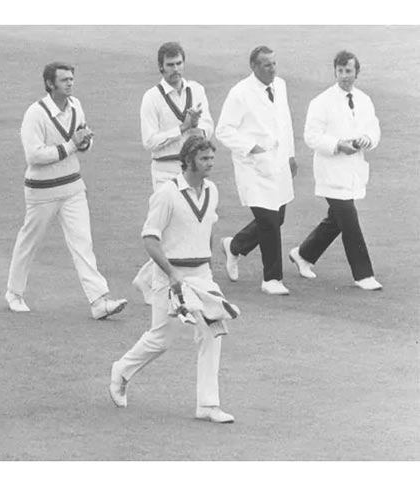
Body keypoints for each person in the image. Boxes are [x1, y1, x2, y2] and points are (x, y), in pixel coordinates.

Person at [109, 136, 237, 423]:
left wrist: (209, 271)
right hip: (170, 277)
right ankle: (121, 370)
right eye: (204, 159)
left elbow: (206, 230)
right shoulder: (167, 194)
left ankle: (208, 404)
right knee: (161, 338)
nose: (210, 164)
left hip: (202, 276)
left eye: (212, 158)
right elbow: (150, 238)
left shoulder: (213, 190)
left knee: (213, 333)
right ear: (189, 160)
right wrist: (171, 273)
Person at [5, 62, 127, 319]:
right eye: (64, 80)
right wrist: (72, 145)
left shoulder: (76, 105)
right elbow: (34, 155)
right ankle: (14, 293)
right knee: (29, 242)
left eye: (71, 79)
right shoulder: (35, 113)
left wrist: (84, 143)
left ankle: (98, 301)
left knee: (83, 243)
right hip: (42, 191)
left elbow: (82, 141)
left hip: (73, 187)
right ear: (50, 84)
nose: (70, 83)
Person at [288, 51, 382, 291]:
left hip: (354, 172)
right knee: (349, 219)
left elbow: (374, 131)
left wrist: (365, 140)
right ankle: (363, 275)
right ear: (335, 72)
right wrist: (338, 145)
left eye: (348, 71)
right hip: (331, 171)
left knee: (337, 220)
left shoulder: (364, 100)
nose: (344, 76)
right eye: (340, 71)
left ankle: (303, 254)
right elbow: (311, 136)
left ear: (356, 72)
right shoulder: (321, 101)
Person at [133, 42, 215, 304]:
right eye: (170, 65)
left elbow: (209, 126)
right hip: (166, 169)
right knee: (166, 229)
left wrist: (198, 127)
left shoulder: (197, 90)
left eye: (179, 63)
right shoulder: (152, 97)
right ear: (161, 66)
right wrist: (181, 128)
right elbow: (149, 141)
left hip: (193, 169)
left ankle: (148, 280)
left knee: (196, 223)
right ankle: (157, 283)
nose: (175, 69)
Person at [216, 46, 298, 295]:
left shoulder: (280, 85)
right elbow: (224, 130)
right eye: (266, 65)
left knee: (278, 217)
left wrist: (291, 155)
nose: (272, 69)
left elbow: (285, 121)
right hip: (253, 167)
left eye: (274, 63)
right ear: (253, 66)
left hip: (279, 163)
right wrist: (252, 148)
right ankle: (271, 279)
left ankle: (235, 246)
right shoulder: (240, 93)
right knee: (269, 220)